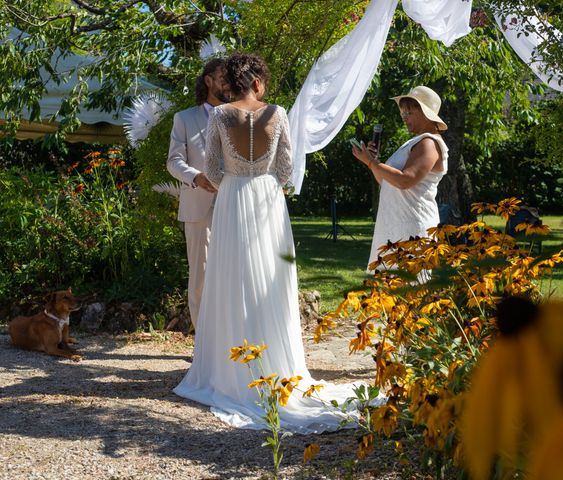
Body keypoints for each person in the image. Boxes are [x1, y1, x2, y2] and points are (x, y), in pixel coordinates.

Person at [174, 53, 358, 433]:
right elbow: (287, 169)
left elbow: (211, 169)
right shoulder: (279, 113)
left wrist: (237, 174)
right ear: (258, 82)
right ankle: (276, 364)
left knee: (230, 278)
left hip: (233, 198)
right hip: (268, 200)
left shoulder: (222, 116)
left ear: (233, 83)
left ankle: (230, 370)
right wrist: (265, 175)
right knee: (270, 280)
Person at [352, 86, 449, 279]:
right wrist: (374, 164)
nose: (404, 117)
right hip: (395, 222)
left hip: (413, 226)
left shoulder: (429, 142)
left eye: (409, 112)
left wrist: (372, 162)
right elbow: (387, 182)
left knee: (411, 291)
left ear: (425, 113)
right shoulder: (415, 142)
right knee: (390, 292)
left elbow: (406, 180)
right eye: (402, 112)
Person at [166, 58, 230, 329]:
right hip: (198, 206)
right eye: (223, 77)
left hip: (234, 204)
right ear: (208, 80)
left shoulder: (239, 116)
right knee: (201, 278)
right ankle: (203, 348)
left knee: (234, 275)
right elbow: (173, 161)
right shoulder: (184, 118)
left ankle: (230, 343)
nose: (228, 83)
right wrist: (195, 177)